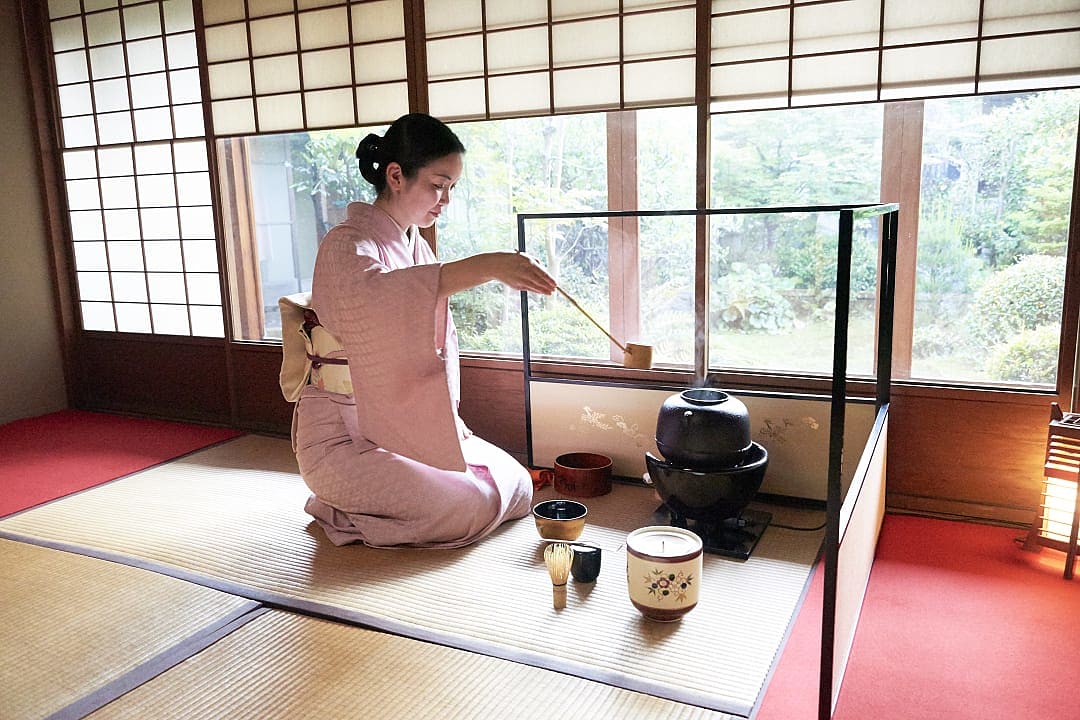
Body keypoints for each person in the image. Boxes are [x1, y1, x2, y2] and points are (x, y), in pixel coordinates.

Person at [291, 113, 556, 548]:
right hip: (344, 441)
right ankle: (336, 505)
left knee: (516, 485)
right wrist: (486, 266)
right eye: (437, 184)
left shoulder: (413, 246)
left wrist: (447, 421)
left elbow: (427, 340)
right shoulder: (345, 245)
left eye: (451, 187)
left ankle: (385, 504)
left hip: (406, 431)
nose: (445, 200)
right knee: (466, 506)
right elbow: (381, 300)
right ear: (396, 175)